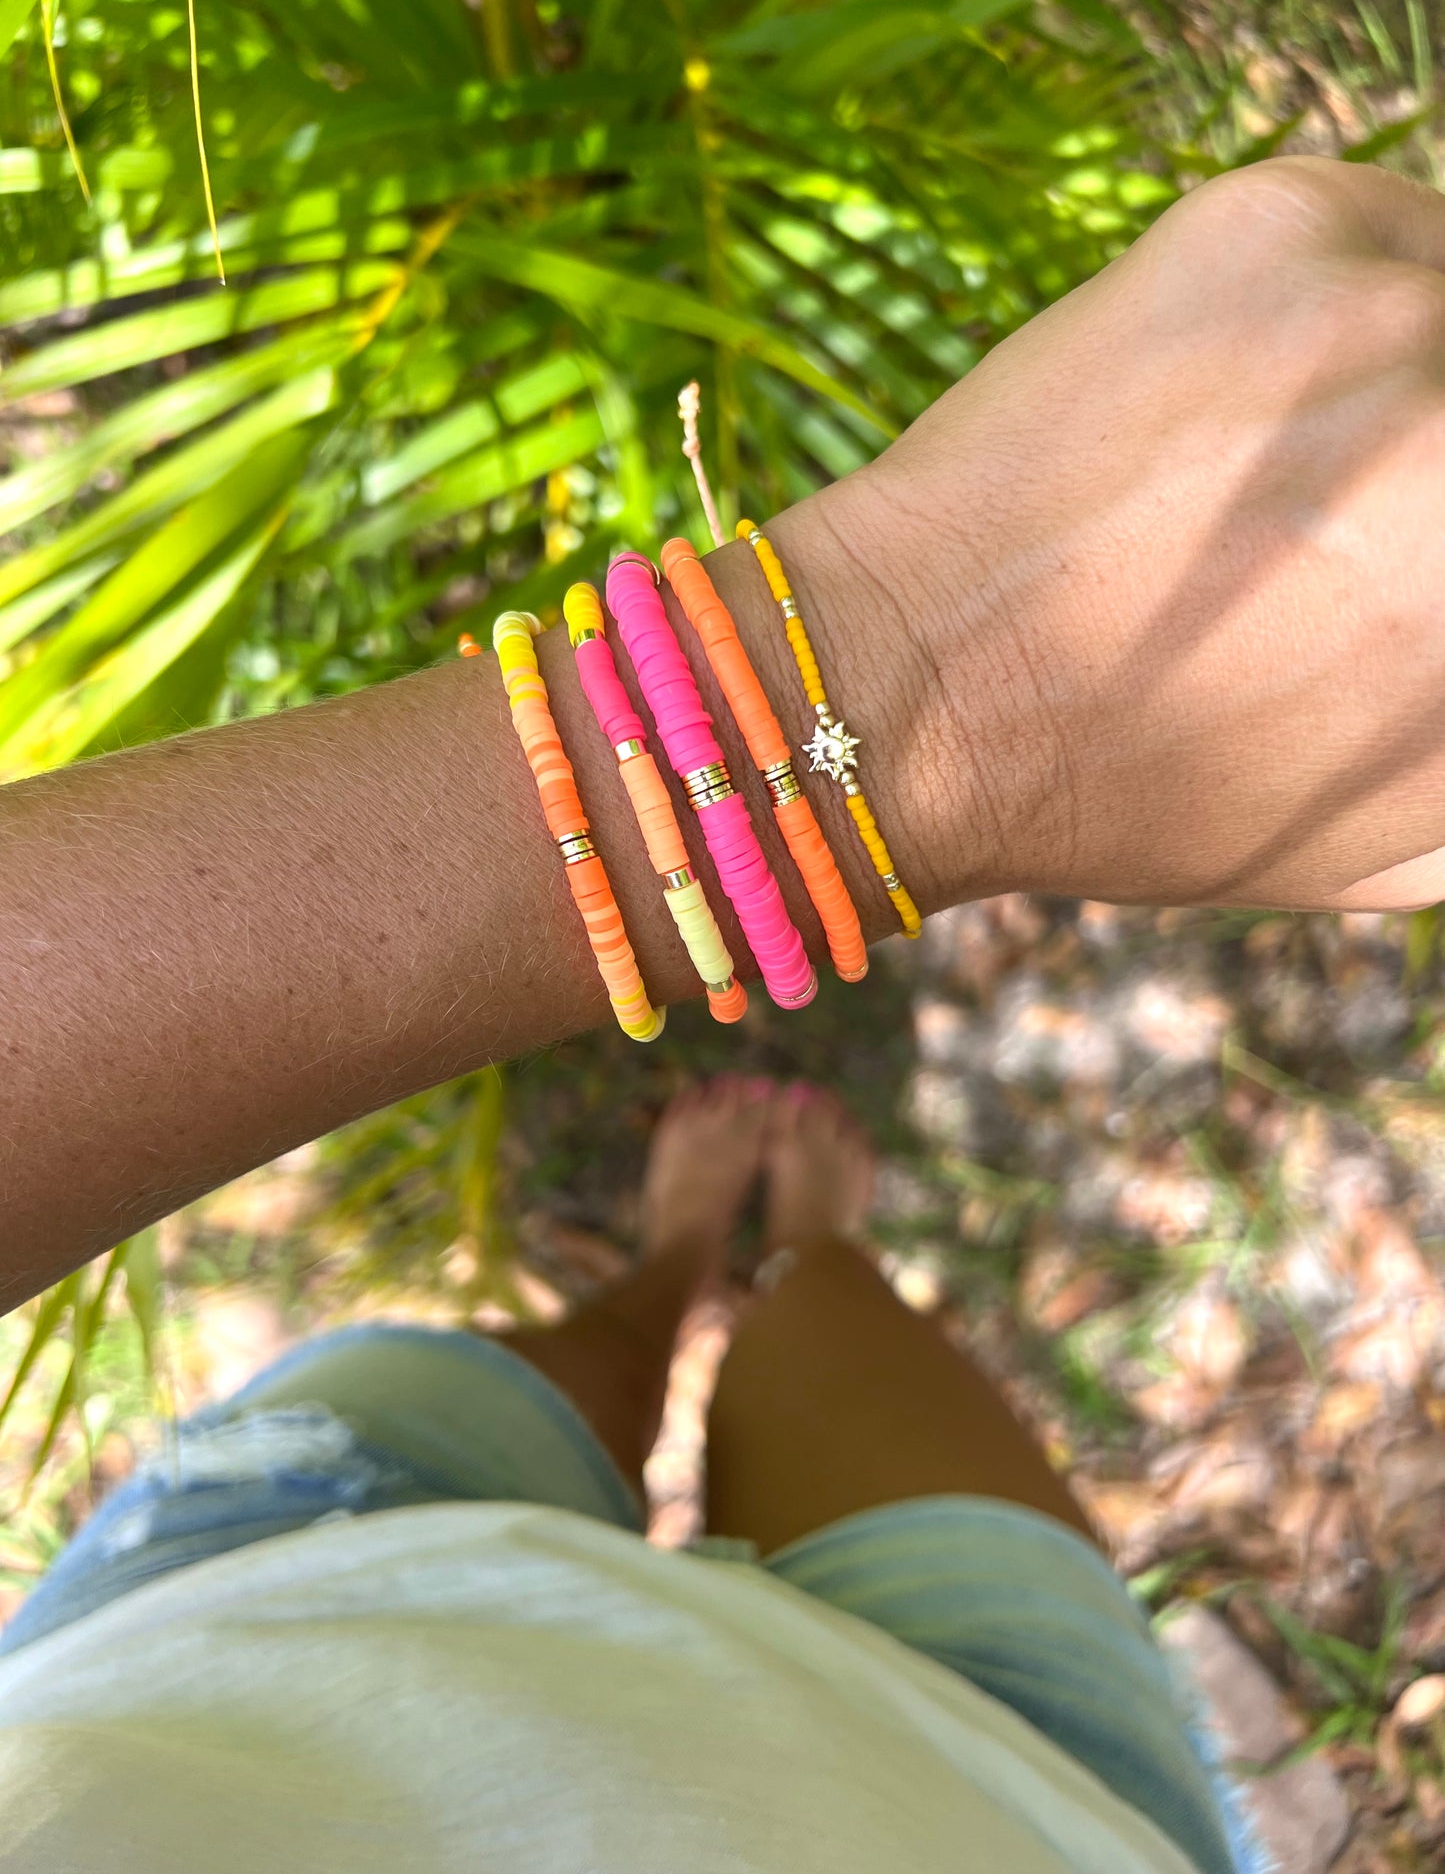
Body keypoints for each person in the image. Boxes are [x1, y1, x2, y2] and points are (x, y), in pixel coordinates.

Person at [3, 153, 1445, 1869]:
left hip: (250, 1605)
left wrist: (851, 692)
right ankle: (794, 1252)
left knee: (514, 1385)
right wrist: (910, 691)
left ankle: (672, 1271)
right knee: (837, 1332)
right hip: (998, 1786)